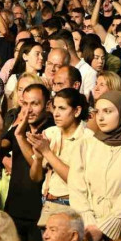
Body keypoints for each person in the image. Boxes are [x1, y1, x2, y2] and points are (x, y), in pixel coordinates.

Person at [68, 91, 121, 241]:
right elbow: (76, 186)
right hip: (88, 226)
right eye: (97, 111)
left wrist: (105, 228)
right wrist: (90, 224)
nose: (100, 117)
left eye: (108, 111)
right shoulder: (86, 144)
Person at [26, 89, 92, 226]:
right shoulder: (50, 133)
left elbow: (75, 180)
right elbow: (36, 177)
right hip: (47, 203)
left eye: (62, 108)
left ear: (77, 111)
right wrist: (38, 158)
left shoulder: (88, 139)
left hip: (72, 206)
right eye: (54, 107)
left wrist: (47, 152)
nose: (56, 113)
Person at [3, 83, 55, 241]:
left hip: (39, 214)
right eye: (25, 104)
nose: (28, 110)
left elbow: (36, 169)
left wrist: (19, 136)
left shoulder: (52, 131)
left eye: (35, 104)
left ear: (47, 105)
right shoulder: (20, 127)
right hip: (14, 208)